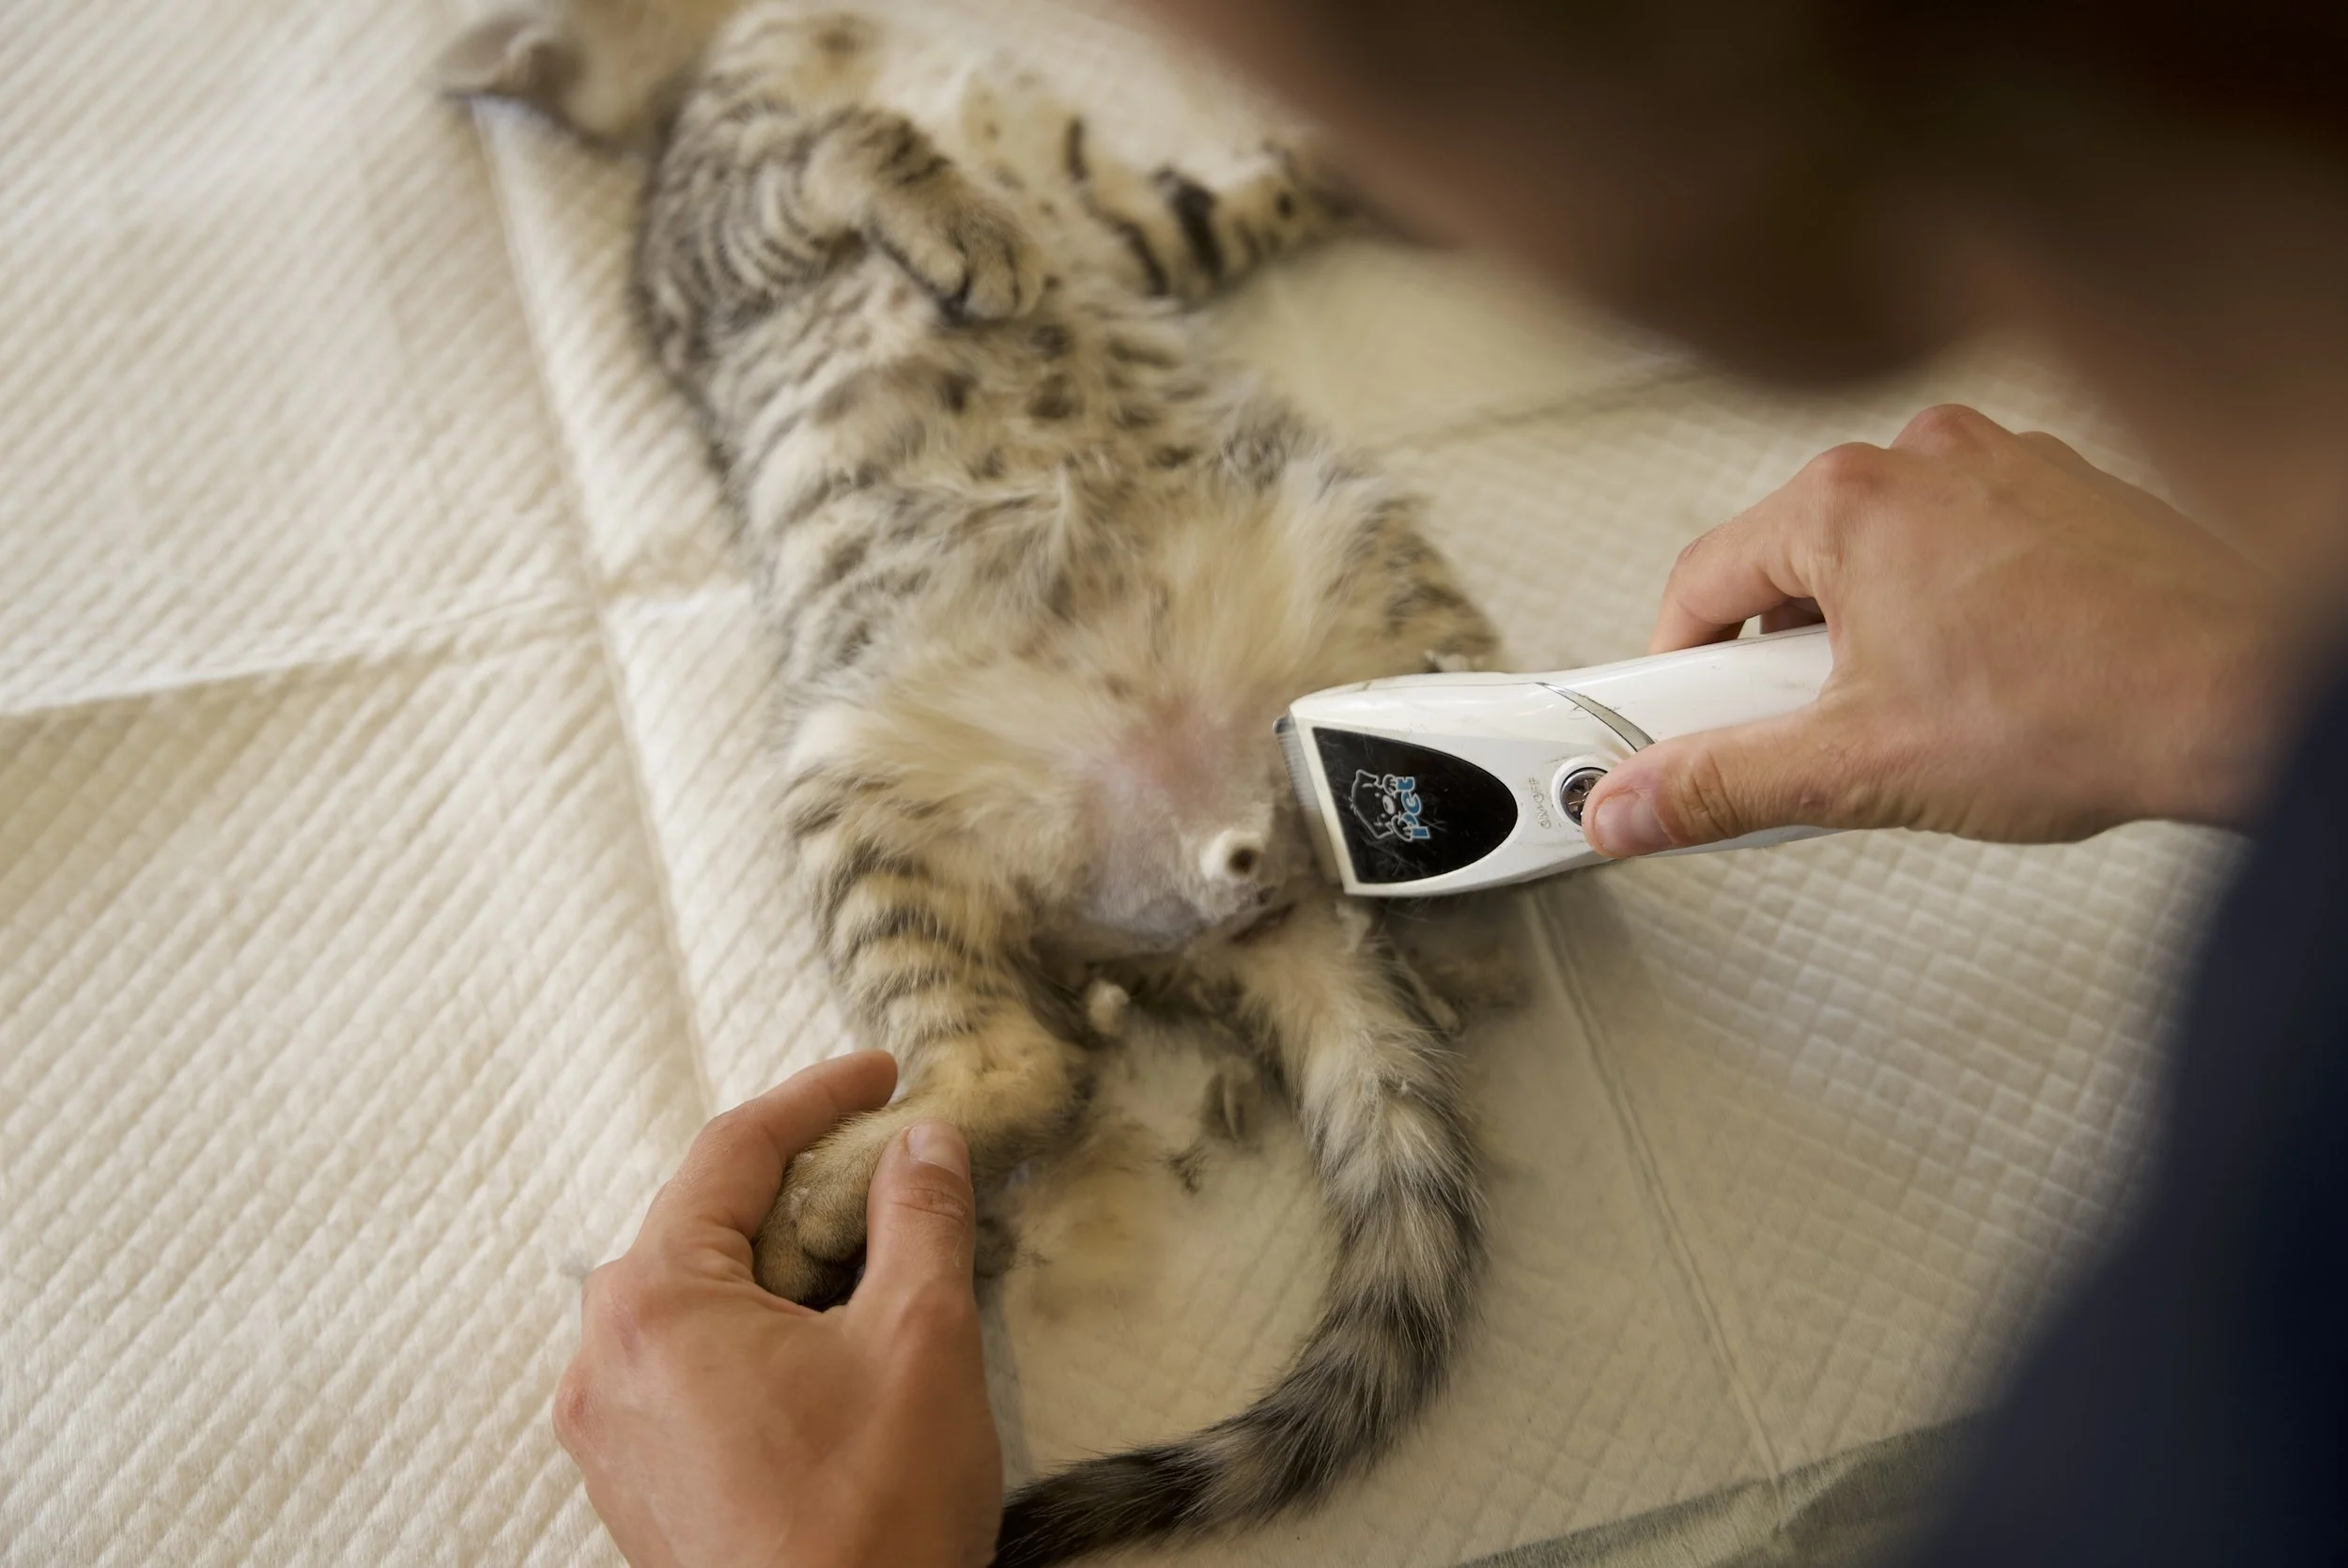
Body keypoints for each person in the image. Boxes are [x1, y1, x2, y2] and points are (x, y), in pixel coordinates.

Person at [551, 1, 2348, 1563]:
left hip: (1130, 563)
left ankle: (1267, 928)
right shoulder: (724, 129)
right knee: (878, 753)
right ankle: (991, 1062)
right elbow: (772, 252)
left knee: (949, 730)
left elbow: (1121, 241)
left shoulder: (2227, 1394)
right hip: (991, 640)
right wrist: (2234, 681)